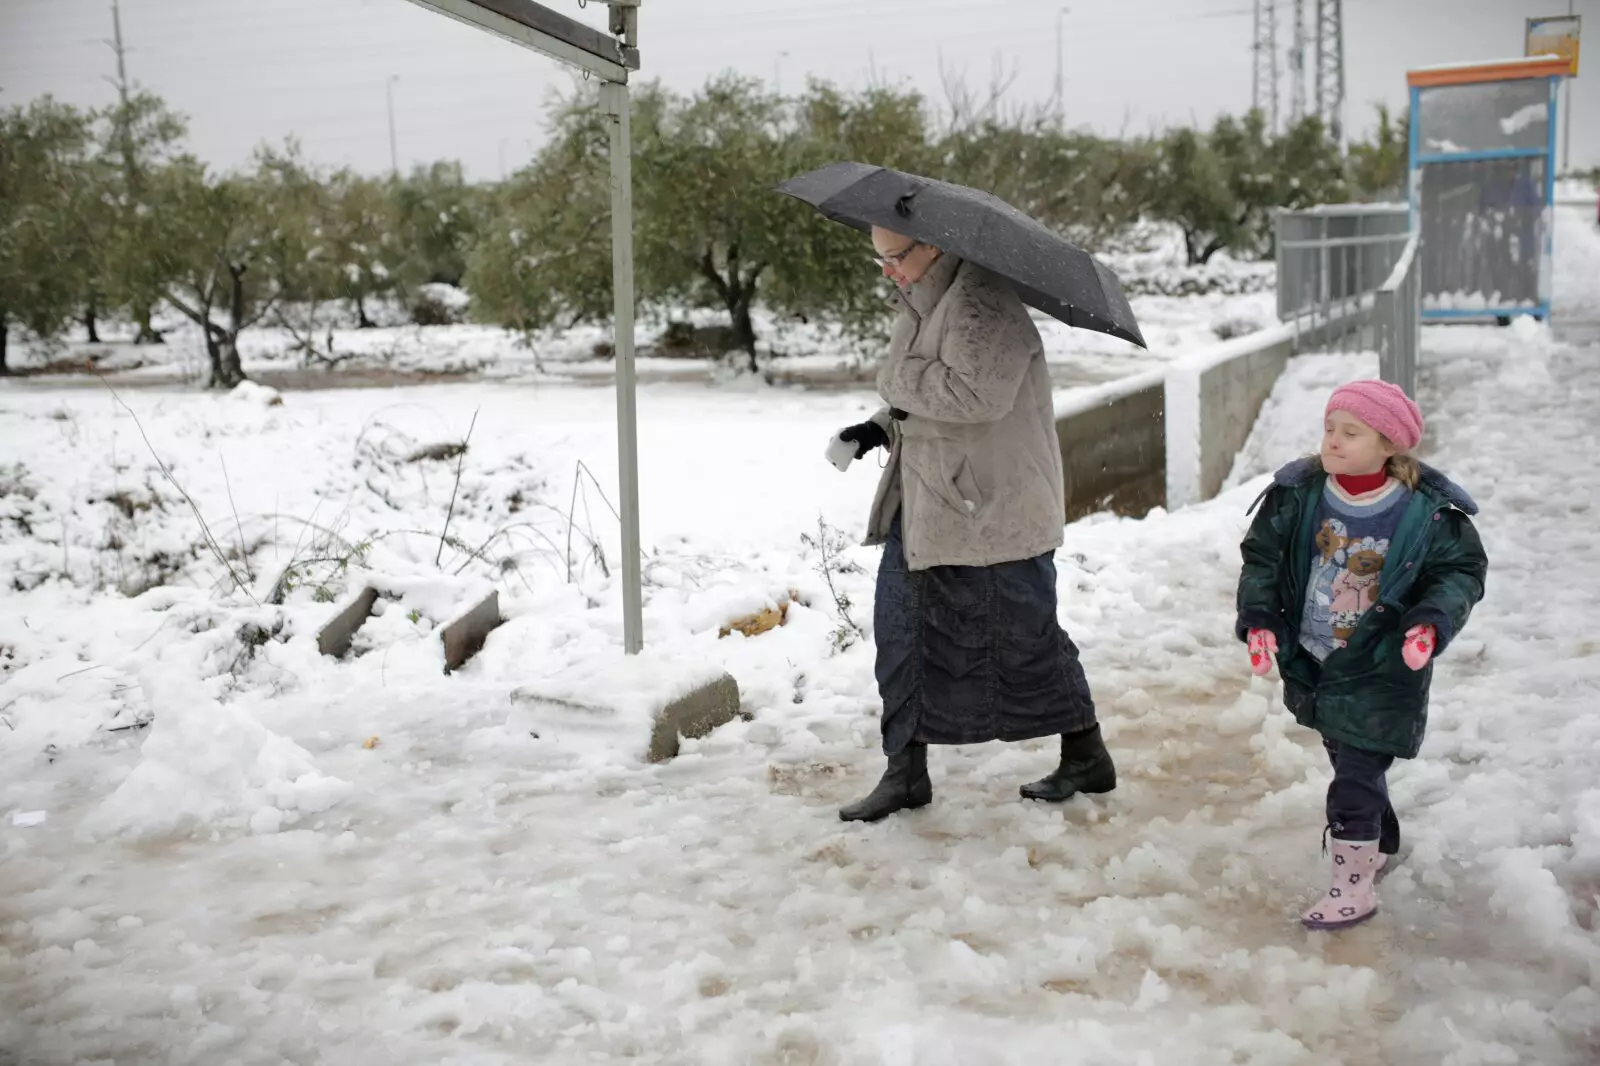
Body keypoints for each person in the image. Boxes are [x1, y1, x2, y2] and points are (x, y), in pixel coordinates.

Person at [826, 226, 1115, 824]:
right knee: (903, 632)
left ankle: (1087, 753)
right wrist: (879, 426)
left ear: (932, 244)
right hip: (932, 500)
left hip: (995, 510)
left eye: (896, 257)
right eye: (878, 259)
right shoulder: (924, 300)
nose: (887, 271)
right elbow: (926, 385)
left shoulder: (986, 305)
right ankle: (904, 771)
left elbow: (969, 395)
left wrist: (890, 379)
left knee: (1025, 638)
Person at [1236, 380, 1488, 930]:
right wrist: (1258, 619)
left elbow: (1458, 573)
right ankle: (1381, 840)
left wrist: (1429, 624)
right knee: (1349, 754)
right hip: (1315, 657)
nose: (1333, 441)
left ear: (1388, 445)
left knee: (1353, 771)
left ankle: (1353, 885)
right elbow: (1262, 560)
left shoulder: (1428, 513)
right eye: (1329, 428)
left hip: (1385, 661)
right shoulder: (1299, 496)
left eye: (1351, 432)